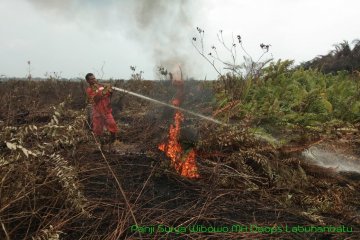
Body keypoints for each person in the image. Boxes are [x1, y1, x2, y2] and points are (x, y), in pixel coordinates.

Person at [85, 73, 118, 148]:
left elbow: (109, 94)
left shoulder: (101, 87)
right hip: (97, 113)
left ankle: (112, 143)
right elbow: (96, 99)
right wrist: (104, 91)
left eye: (94, 78)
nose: (94, 80)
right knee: (98, 131)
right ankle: (102, 145)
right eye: (91, 79)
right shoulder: (89, 90)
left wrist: (110, 90)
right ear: (87, 81)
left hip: (106, 111)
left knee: (113, 126)